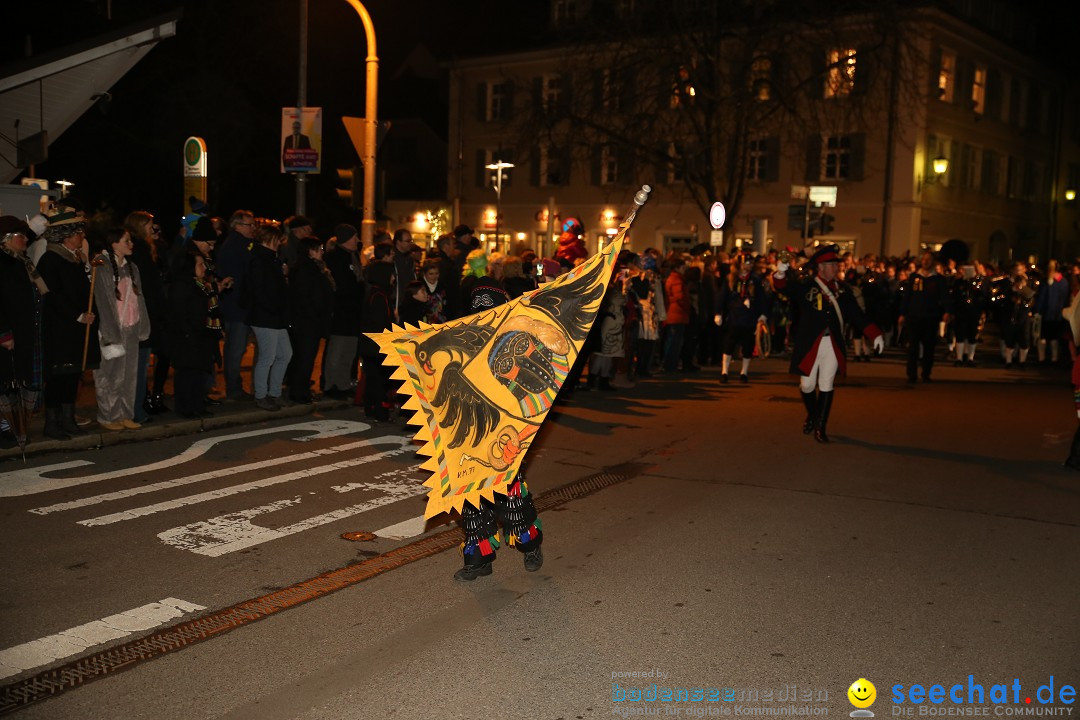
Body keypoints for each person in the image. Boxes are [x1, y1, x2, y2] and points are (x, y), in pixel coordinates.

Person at [453, 279, 543, 581]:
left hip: (507, 432)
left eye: (489, 308)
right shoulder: (461, 339)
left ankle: (530, 546)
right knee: (473, 501)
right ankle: (478, 559)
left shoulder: (514, 340)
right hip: (473, 434)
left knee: (513, 499)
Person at [773, 245, 884, 443]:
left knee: (826, 384)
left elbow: (856, 314)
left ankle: (820, 426)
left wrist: (874, 334)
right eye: (832, 264)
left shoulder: (843, 290)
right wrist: (780, 271)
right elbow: (784, 288)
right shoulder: (806, 285)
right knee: (806, 385)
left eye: (836, 264)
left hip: (832, 343)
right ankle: (813, 415)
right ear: (821, 267)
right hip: (809, 343)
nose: (836, 267)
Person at [36, 206, 98, 440]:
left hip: (76, 328)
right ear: (66, 234)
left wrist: (89, 312)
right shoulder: (50, 259)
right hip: (59, 329)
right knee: (57, 376)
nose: (82, 236)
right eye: (78, 232)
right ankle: (52, 423)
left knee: (73, 375)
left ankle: (68, 418)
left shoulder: (75, 258)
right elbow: (52, 295)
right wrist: (77, 315)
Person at [92, 227, 151, 430]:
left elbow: (139, 298)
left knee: (129, 375)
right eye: (126, 240)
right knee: (110, 375)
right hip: (112, 329)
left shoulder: (132, 267)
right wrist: (110, 332)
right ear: (114, 243)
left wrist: (142, 325)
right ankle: (108, 415)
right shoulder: (101, 265)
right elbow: (102, 301)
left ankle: (125, 413)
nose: (131, 244)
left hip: (131, 328)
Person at [0, 216, 47, 447]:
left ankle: (17, 427)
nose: (26, 240)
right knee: (6, 382)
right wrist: (4, 333)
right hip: (7, 336)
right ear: (7, 239)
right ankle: (5, 428)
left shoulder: (21, 261)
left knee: (20, 379)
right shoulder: (2, 263)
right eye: (21, 236)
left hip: (25, 332)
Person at [124, 211, 167, 423]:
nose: (154, 227)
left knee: (140, 365)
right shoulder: (139, 250)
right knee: (139, 366)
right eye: (150, 224)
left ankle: (139, 407)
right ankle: (137, 410)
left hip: (146, 313)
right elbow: (148, 286)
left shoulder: (144, 249)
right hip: (144, 315)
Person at [246, 221, 293, 411]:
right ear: (269, 239)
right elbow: (258, 290)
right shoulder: (259, 259)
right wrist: (273, 307)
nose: (280, 243)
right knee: (268, 357)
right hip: (265, 316)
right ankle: (261, 395)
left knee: (285, 354)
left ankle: (274, 393)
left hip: (275, 315)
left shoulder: (271, 258)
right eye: (277, 239)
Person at [168, 250, 219, 418]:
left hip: (201, 334)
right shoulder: (182, 285)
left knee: (200, 371)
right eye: (199, 264)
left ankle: (197, 404)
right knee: (188, 372)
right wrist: (189, 332)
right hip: (188, 336)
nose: (204, 267)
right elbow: (180, 313)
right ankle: (186, 407)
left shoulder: (199, 284)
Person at [287, 236, 334, 404]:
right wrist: (317, 312)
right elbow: (307, 296)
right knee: (305, 357)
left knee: (305, 357)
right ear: (310, 251)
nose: (322, 252)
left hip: (308, 320)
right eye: (319, 249)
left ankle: (301, 390)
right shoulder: (306, 269)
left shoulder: (310, 268)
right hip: (307, 321)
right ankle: (300, 392)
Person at [218, 210, 256, 401]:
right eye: (249, 225)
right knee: (235, 349)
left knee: (237, 348)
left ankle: (236, 387)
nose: (253, 229)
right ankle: (234, 389)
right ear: (238, 226)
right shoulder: (234, 247)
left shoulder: (241, 245)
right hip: (237, 307)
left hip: (239, 305)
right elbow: (237, 279)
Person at [323, 224, 365, 399]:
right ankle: (331, 384)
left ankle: (343, 383)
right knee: (337, 350)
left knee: (349, 350)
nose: (357, 240)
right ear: (347, 238)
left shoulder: (352, 256)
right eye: (354, 237)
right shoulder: (335, 258)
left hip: (353, 311)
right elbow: (341, 284)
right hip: (341, 311)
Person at [898, 251, 951, 383]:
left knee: (929, 347)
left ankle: (926, 373)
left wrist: (947, 311)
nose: (926, 262)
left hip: (930, 317)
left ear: (933, 262)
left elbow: (945, 297)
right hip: (913, 317)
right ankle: (912, 374)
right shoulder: (914, 277)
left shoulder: (939, 279)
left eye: (928, 259)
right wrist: (902, 314)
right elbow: (907, 297)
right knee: (913, 347)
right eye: (924, 259)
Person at [717, 255, 768, 383]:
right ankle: (724, 371)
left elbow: (762, 298)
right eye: (747, 263)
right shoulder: (731, 279)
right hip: (734, 316)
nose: (749, 265)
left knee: (748, 346)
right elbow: (722, 297)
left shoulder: (755, 280)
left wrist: (763, 314)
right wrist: (718, 313)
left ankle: (744, 372)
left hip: (750, 318)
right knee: (729, 344)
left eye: (751, 263)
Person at [359, 260, 395, 421]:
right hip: (377, 345)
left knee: (372, 378)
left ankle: (370, 408)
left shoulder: (373, 292)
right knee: (379, 380)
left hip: (369, 344)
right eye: (391, 275)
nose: (393, 279)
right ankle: (379, 411)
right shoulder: (380, 295)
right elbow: (382, 323)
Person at [391, 229, 418, 317]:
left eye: (411, 241)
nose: (410, 243)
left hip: (408, 300)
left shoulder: (409, 259)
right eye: (407, 241)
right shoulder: (392, 258)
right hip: (397, 301)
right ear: (398, 242)